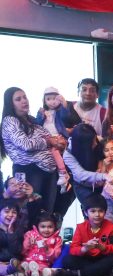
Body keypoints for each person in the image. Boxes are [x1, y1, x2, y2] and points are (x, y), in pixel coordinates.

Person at [1, 87, 63, 218]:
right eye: (18, 99)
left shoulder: (31, 119)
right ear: (10, 103)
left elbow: (48, 135)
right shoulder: (10, 120)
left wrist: (55, 140)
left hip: (49, 170)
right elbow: (26, 144)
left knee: (47, 214)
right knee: (31, 211)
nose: (24, 101)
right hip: (29, 169)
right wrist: (47, 142)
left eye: (25, 97)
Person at [60, 193, 113, 276]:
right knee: (67, 260)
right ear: (86, 213)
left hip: (103, 258)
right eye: (93, 211)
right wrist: (85, 249)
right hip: (86, 258)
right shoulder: (80, 227)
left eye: (100, 211)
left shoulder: (112, 227)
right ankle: (106, 273)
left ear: (105, 212)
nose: (97, 215)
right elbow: (73, 249)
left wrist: (102, 248)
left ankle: (78, 274)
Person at [34, 87, 72, 191]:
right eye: (48, 99)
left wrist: (64, 105)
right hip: (46, 138)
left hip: (58, 137)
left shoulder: (59, 112)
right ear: (44, 101)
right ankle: (64, 183)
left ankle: (63, 173)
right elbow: (37, 124)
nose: (52, 102)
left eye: (55, 98)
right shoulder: (43, 112)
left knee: (55, 152)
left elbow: (66, 116)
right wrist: (40, 115)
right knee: (49, 155)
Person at [20, 211, 63, 276]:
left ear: (55, 227)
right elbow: (22, 251)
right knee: (23, 265)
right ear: (37, 226)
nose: (46, 229)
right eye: (43, 227)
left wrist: (47, 249)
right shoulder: (30, 235)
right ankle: (26, 272)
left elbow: (56, 255)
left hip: (43, 263)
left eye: (50, 227)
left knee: (42, 269)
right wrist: (28, 243)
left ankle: (35, 274)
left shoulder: (57, 239)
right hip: (28, 260)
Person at [0, 198, 25, 276]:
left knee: (21, 266)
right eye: (6, 211)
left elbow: (16, 251)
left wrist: (11, 232)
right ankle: (10, 274)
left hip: (14, 262)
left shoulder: (19, 230)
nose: (10, 215)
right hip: (1, 263)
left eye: (14, 212)